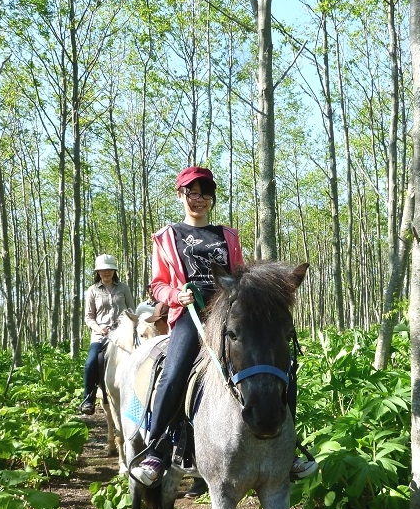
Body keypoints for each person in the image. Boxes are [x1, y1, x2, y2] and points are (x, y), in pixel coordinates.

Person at [130, 166, 317, 486]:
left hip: (231, 313)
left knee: (281, 365)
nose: (199, 199)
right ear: (180, 195)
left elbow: (240, 276)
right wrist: (176, 295)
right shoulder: (166, 237)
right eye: (192, 192)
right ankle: (157, 448)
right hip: (191, 314)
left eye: (205, 193)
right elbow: (157, 286)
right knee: (174, 371)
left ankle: (288, 449)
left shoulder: (227, 235)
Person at [81, 253, 134, 414]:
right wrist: (99, 329)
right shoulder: (92, 290)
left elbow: (131, 309)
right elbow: (89, 317)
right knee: (91, 363)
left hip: (123, 333)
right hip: (101, 335)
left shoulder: (123, 288)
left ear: (114, 270)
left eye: (110, 269)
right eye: (103, 270)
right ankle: (88, 398)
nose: (107, 272)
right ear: (98, 272)